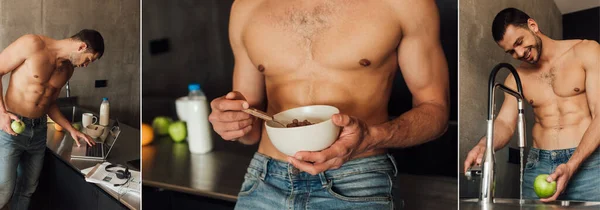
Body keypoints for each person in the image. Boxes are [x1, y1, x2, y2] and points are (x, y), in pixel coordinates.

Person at [209, 0, 450, 209]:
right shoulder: (247, 7)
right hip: (266, 179)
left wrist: (373, 136)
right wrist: (231, 122)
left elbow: (436, 109)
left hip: (358, 178)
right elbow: (249, 129)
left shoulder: (404, 4)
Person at [464, 8, 599, 201]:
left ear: (532, 26)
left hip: (587, 163)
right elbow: (505, 123)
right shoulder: (516, 77)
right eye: (511, 51)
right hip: (539, 165)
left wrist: (572, 164)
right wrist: (484, 144)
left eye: (519, 42)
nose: (519, 53)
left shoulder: (586, 51)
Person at [0, 29, 102, 209]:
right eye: (88, 60)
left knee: (27, 188)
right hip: (11, 128)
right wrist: (1, 114)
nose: (86, 65)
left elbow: (50, 104)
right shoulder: (31, 44)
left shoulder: (68, 69)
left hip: (38, 132)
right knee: (4, 190)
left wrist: (72, 130)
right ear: (82, 46)